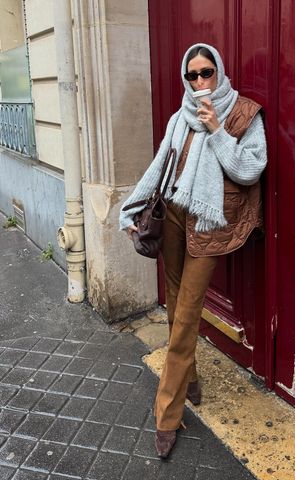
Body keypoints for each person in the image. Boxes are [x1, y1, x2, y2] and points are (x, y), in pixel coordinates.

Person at [119, 43, 267, 458]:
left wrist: (218, 130)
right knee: (173, 309)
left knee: (186, 314)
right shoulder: (179, 116)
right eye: (192, 76)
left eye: (206, 73)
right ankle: (191, 378)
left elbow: (250, 169)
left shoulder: (244, 114)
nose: (199, 82)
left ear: (220, 72)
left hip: (209, 221)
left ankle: (167, 412)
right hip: (173, 217)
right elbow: (160, 165)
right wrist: (131, 206)